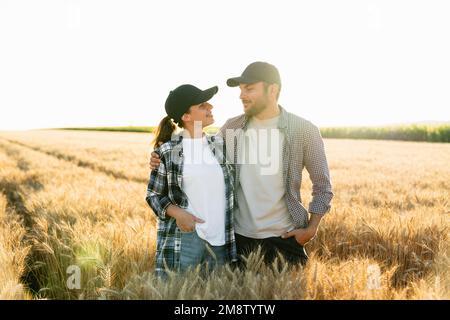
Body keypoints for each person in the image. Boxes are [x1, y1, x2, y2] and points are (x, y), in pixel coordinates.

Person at [150, 62, 333, 268]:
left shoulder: (304, 131)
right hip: (239, 240)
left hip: (286, 238)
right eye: (240, 89)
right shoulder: (232, 128)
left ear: (272, 89)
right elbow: (196, 146)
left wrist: (311, 229)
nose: (241, 95)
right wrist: (161, 155)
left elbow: (323, 185)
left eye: (249, 88)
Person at [145, 84, 237, 278]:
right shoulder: (168, 151)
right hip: (186, 238)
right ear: (186, 117)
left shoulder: (220, 145)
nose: (210, 107)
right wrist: (178, 213)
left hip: (221, 239)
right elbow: (153, 195)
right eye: (203, 104)